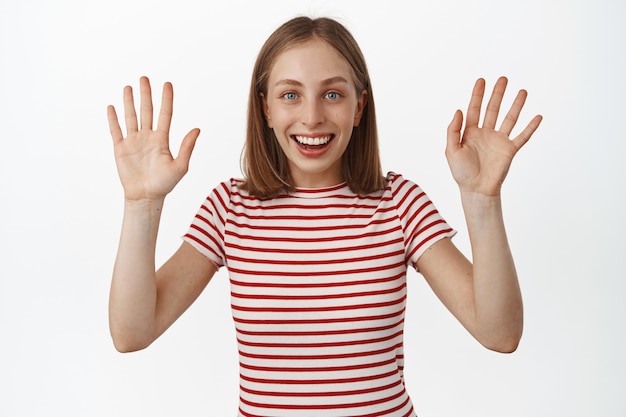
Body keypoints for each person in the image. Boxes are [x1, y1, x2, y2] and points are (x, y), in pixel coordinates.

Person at [106, 16, 542, 417]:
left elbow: (499, 334)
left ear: (358, 107)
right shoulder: (229, 209)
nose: (312, 117)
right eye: (290, 94)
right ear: (266, 109)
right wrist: (141, 205)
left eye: (332, 94)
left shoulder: (399, 204)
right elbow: (132, 333)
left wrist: (482, 199)